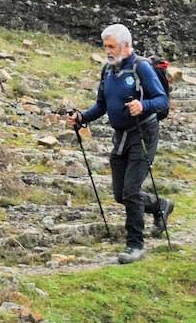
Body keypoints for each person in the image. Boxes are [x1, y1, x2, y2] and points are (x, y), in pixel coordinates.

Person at [66, 24, 173, 265]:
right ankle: (160, 206)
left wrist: (143, 106)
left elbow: (162, 100)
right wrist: (82, 117)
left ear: (125, 45)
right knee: (119, 194)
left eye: (111, 46)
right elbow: (102, 105)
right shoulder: (108, 70)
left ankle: (135, 245)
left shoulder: (141, 67)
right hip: (121, 136)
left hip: (143, 133)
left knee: (131, 191)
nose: (108, 51)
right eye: (105, 46)